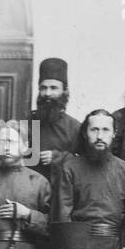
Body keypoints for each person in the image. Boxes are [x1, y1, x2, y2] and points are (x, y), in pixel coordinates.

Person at [53, 109, 125, 249]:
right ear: (85, 133)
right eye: (94, 130)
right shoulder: (70, 168)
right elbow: (62, 216)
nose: (100, 136)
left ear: (114, 134)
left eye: (105, 130)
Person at [28, 57, 81, 185]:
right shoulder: (26, 122)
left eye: (53, 88)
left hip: (62, 191)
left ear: (65, 91)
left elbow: (84, 163)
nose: (47, 93)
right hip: (30, 189)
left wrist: (58, 157)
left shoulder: (75, 127)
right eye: (43, 88)